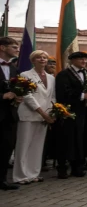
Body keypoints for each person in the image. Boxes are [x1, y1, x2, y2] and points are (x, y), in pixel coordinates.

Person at [13, 51, 56, 184]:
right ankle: (20, 175)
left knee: (37, 146)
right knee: (23, 145)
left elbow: (52, 97)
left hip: (44, 116)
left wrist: (51, 113)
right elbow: (27, 96)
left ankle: (33, 173)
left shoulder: (51, 78)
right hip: (29, 114)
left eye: (44, 57)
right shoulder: (25, 75)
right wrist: (42, 112)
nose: (42, 59)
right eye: (39, 57)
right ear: (33, 60)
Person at [54, 51, 87, 178]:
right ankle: (62, 168)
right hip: (67, 111)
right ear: (72, 61)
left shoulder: (86, 74)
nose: (84, 62)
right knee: (66, 140)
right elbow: (62, 93)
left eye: (85, 59)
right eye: (80, 59)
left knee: (79, 140)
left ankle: (77, 167)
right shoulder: (64, 74)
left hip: (82, 112)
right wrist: (83, 96)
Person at [1, 37, 23, 190]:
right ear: (2, 47)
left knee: (6, 147)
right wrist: (2, 96)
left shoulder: (14, 68)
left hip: (10, 114)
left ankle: (2, 180)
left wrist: (18, 96)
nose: (17, 49)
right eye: (14, 46)